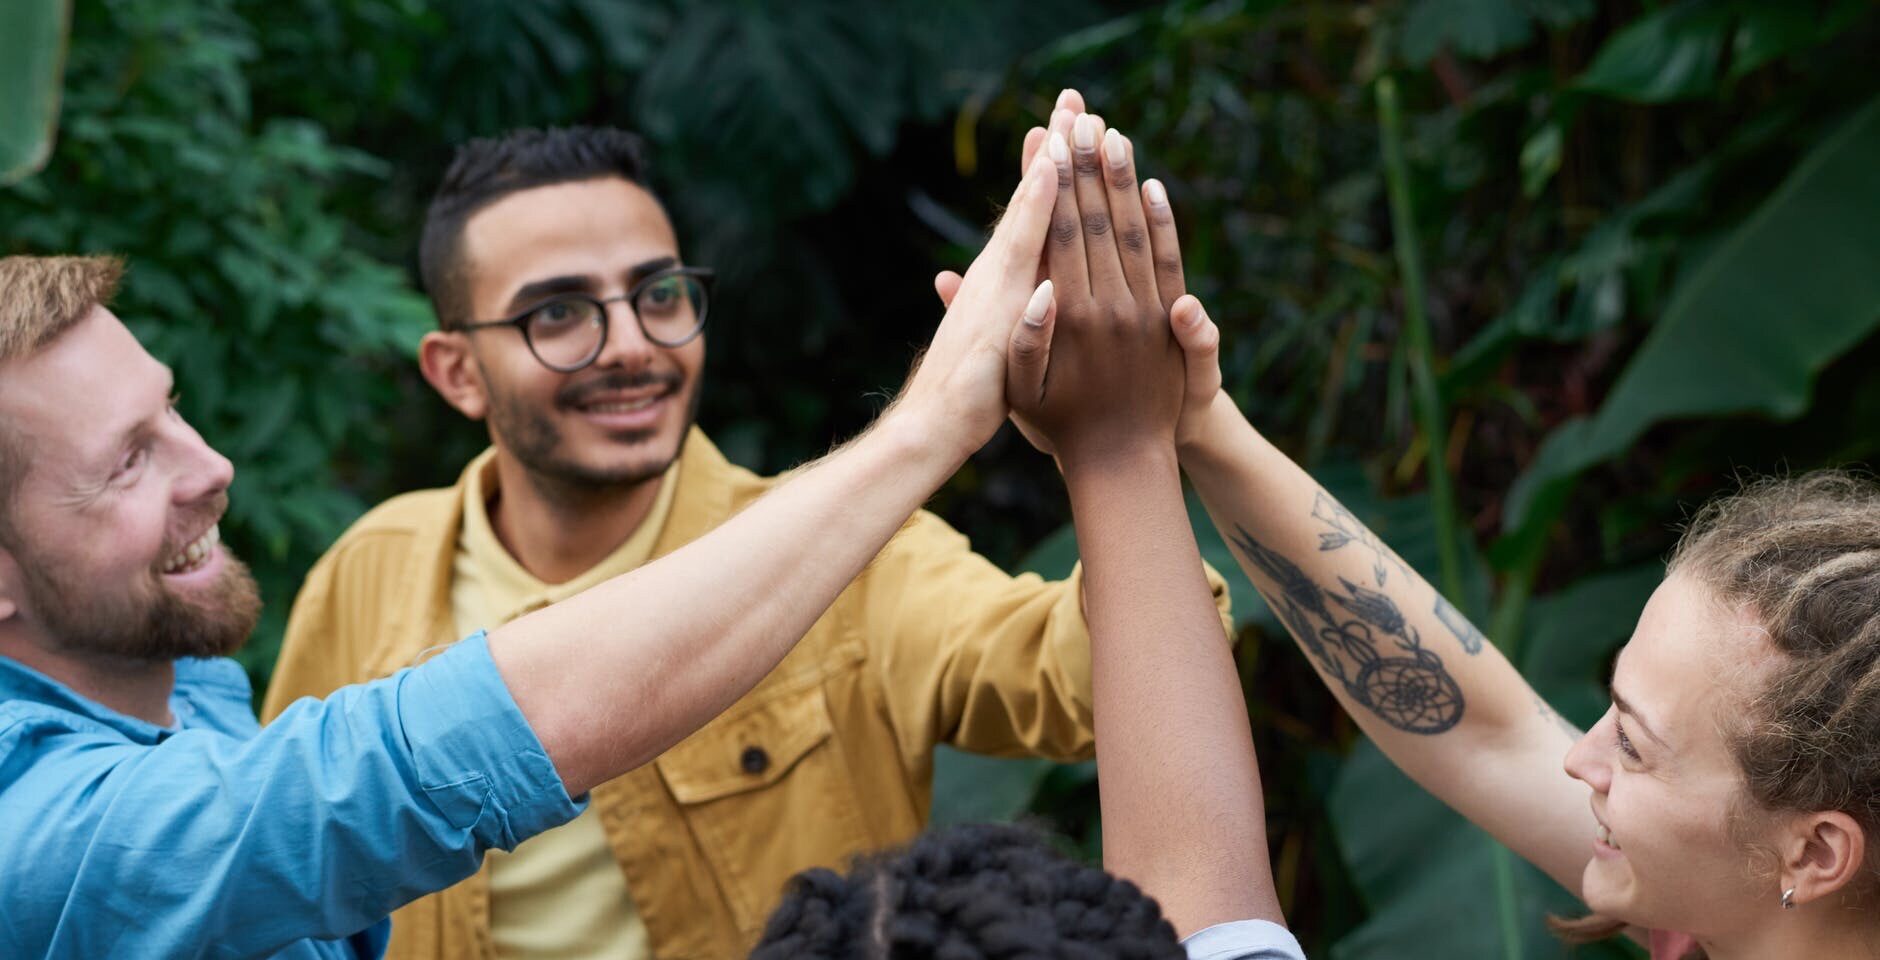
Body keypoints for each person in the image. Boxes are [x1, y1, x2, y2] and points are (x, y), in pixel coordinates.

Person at [0, 150, 1072, 959]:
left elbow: (1079, 674)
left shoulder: (193, 689)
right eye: (127, 461)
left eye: (174, 410)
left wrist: (1135, 437)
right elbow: (376, 782)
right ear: (454, 370)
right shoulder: (39, 836)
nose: (215, 468)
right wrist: (929, 423)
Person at [260, 120, 1235, 958]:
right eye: (558, 312)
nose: (634, 345)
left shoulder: (854, 553)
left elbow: (1081, 680)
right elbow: (281, 876)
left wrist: (1109, 438)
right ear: (455, 372)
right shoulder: (369, 573)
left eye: (659, 294)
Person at [1145, 163, 1880, 960]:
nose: (1576, 757)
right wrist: (1200, 423)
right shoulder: (1724, 907)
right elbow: (1481, 732)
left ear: (1814, 855)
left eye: (1633, 747)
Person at [752, 106, 1306, 960]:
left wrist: (962, 422)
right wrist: (1121, 444)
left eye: (662, 290)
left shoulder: (871, 569)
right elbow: (1209, 909)